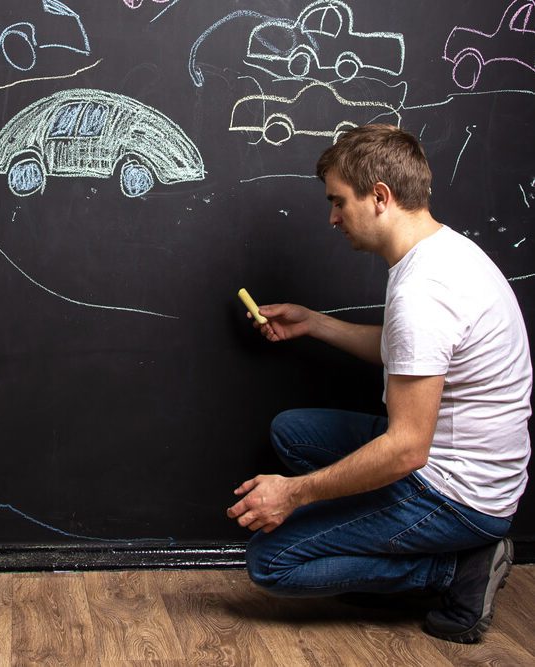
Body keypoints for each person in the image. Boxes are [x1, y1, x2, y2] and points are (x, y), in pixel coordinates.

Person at [227, 124, 531, 644]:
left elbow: (406, 449)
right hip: (465, 465)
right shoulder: (440, 251)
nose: (332, 218)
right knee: (292, 432)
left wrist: (294, 495)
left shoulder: (424, 292)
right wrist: (314, 323)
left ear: (380, 197)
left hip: (460, 495)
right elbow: (412, 354)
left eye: (339, 202)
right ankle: (396, 538)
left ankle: (456, 571)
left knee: (271, 563)